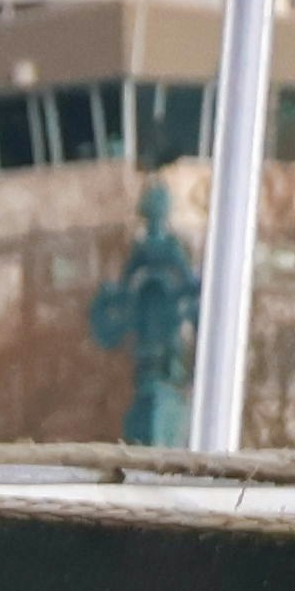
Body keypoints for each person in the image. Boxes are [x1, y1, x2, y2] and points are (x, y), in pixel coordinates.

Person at [91, 178, 204, 445]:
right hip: (149, 352)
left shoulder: (168, 251)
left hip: (165, 349)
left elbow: (187, 287)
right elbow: (120, 296)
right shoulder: (143, 254)